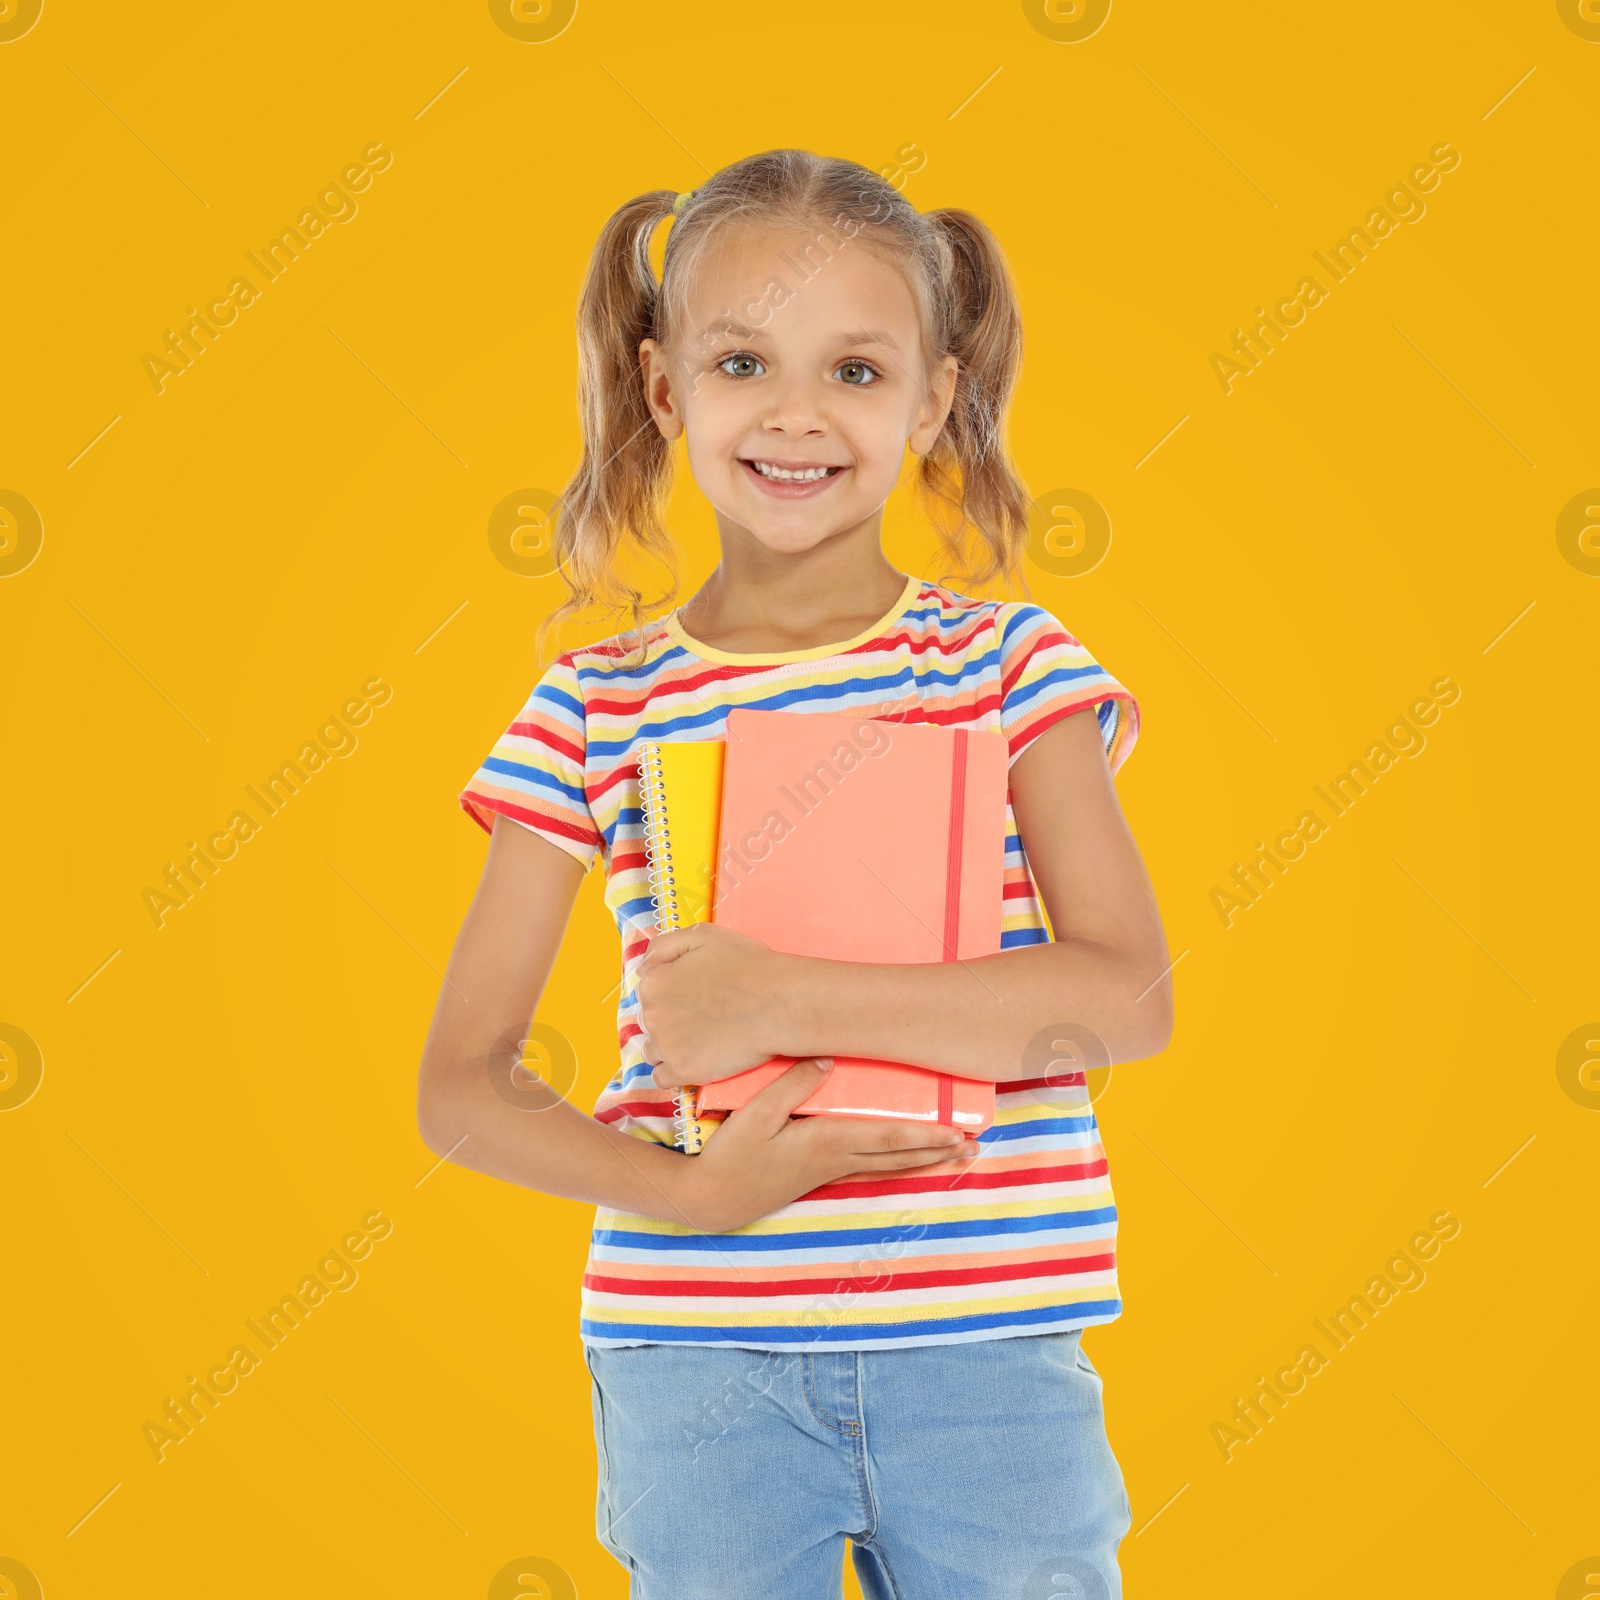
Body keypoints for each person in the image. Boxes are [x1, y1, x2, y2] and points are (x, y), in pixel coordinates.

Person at [418, 148, 1173, 1600]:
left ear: (936, 398)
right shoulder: (594, 705)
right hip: (696, 1353)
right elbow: (462, 1082)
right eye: (745, 360)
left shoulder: (1009, 671)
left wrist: (777, 997)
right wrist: (682, 1196)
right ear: (662, 389)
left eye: (857, 371)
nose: (797, 415)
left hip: (988, 1349)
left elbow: (1125, 998)